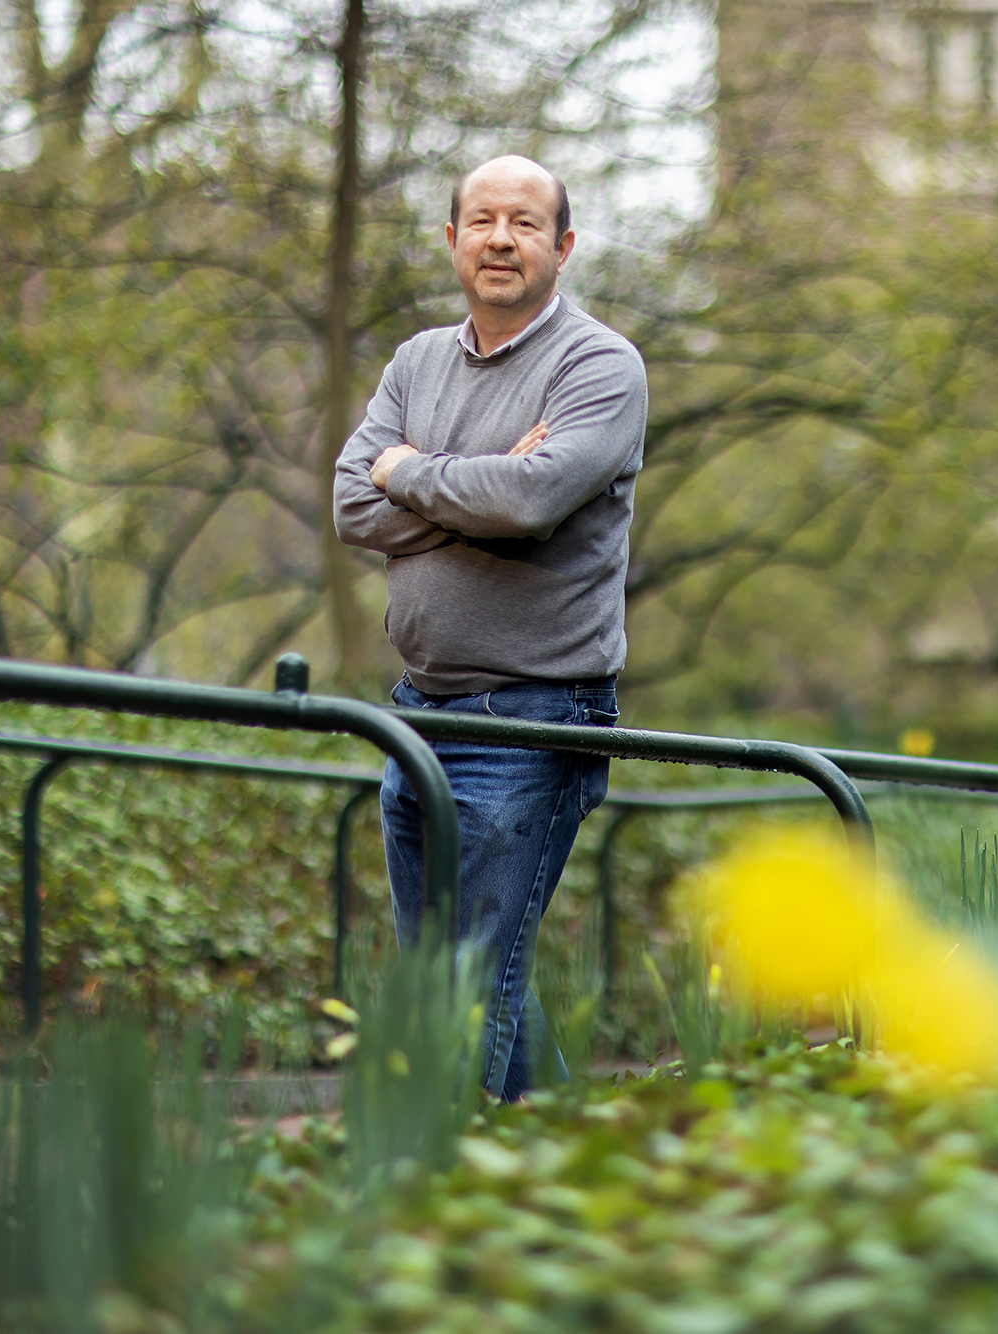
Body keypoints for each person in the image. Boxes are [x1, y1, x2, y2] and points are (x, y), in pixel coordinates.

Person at [332, 155, 646, 1099]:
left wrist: (410, 470)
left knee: (471, 978)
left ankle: (449, 1187)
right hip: (418, 710)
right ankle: (560, 1166)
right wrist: (474, 480)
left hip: (533, 718)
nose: (500, 239)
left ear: (563, 246)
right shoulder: (416, 360)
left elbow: (534, 497)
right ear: (453, 239)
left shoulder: (600, 366)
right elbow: (353, 506)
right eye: (481, 221)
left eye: (523, 223)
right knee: (457, 969)